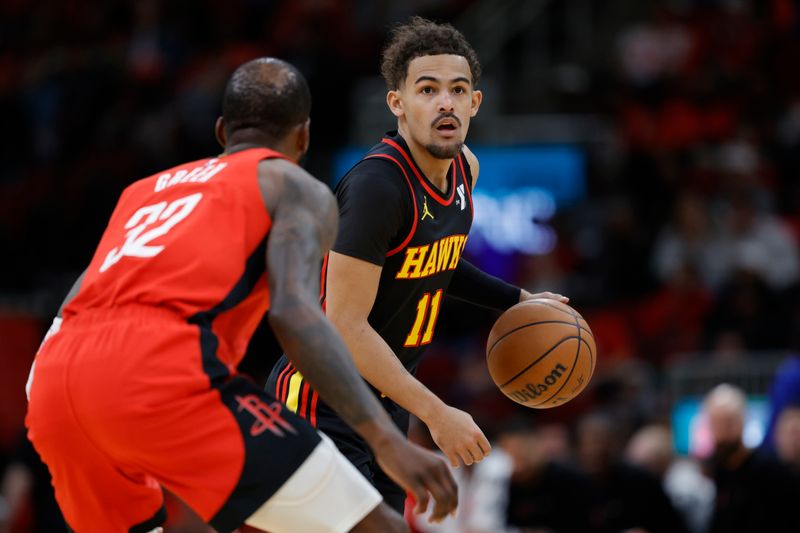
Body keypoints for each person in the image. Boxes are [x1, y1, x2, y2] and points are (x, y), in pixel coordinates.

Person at [24, 57, 458, 533]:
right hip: (156, 370)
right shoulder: (291, 184)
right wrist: (386, 440)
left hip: (51, 380)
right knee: (378, 527)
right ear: (303, 137)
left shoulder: (142, 192)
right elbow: (295, 314)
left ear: (220, 132)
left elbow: (74, 302)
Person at [267, 17, 566, 513]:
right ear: (397, 103)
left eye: (458, 89)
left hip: (379, 407)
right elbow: (344, 327)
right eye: (427, 89)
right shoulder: (377, 188)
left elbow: (435, 265)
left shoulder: (464, 172)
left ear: (475, 103)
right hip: (319, 403)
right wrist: (436, 413)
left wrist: (518, 301)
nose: (445, 102)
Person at [702, 383, 800, 533]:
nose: (721, 433)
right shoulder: (719, 470)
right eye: (716, 423)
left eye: (727, 423)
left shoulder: (771, 470)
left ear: (742, 421)